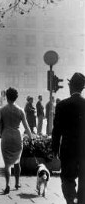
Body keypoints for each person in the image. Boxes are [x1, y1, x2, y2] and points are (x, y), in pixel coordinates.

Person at [52, 72, 85, 204]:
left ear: (70, 86)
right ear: (82, 88)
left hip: (68, 150)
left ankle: (71, 200)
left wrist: (54, 150)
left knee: (67, 178)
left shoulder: (62, 105)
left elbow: (56, 131)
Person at [0, 87, 32, 194]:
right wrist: (31, 138)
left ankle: (7, 185)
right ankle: (17, 182)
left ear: (6, 97)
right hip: (17, 137)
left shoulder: (2, 110)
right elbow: (27, 127)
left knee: (7, 164)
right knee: (17, 162)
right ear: (16, 97)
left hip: (6, 137)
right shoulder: (20, 110)